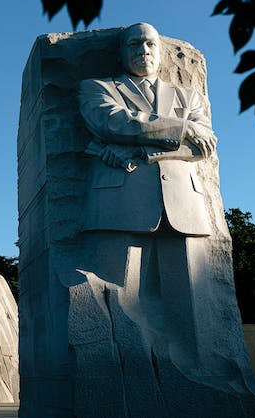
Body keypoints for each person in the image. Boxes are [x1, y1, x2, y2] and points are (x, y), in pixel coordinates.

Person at [77, 22, 218, 368]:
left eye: (151, 44)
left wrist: (144, 153)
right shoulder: (97, 88)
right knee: (118, 293)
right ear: (122, 53)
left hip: (183, 201)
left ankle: (198, 371)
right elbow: (114, 123)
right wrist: (182, 128)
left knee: (191, 303)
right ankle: (128, 371)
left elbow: (204, 148)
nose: (144, 51)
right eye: (135, 44)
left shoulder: (189, 97)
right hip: (121, 200)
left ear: (161, 52)